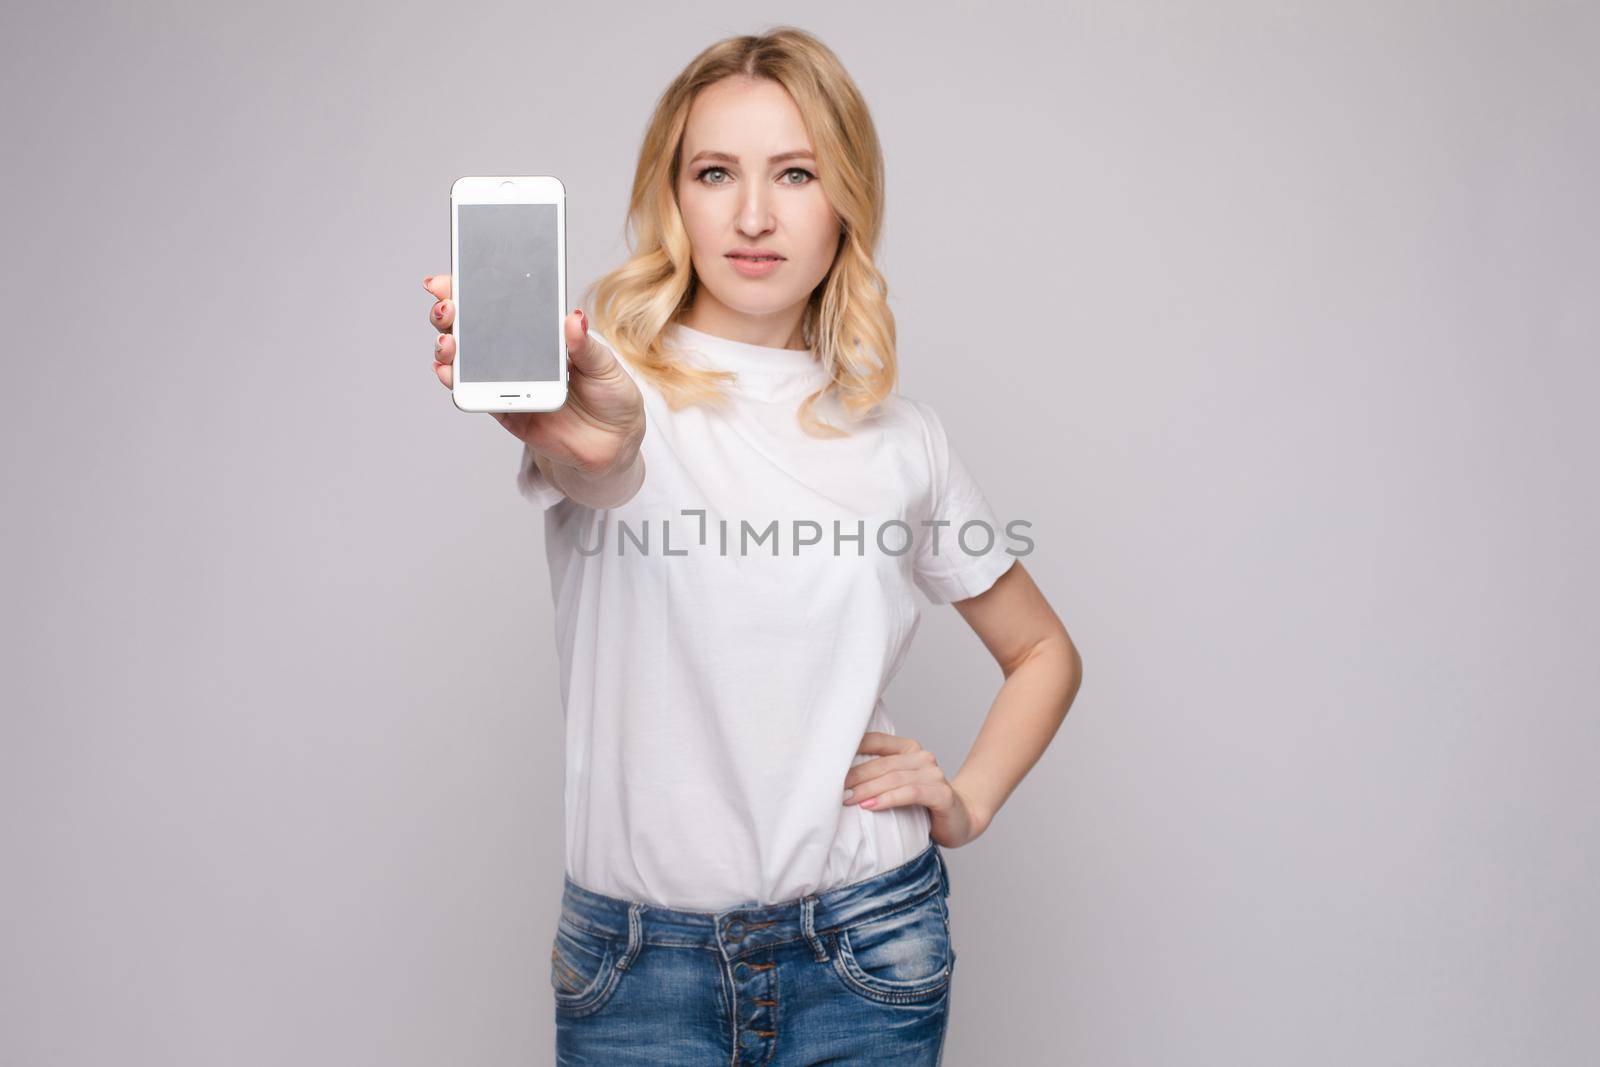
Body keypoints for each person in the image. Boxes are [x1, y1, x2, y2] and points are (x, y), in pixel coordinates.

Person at [423, 26, 1082, 1066]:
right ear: (674, 197)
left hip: (868, 950)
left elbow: (1043, 652)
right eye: (715, 172)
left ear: (846, 199)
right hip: (638, 969)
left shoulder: (902, 437)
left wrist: (966, 798)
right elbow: (605, 457)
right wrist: (592, 427)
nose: (754, 213)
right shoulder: (603, 383)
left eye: (796, 172)